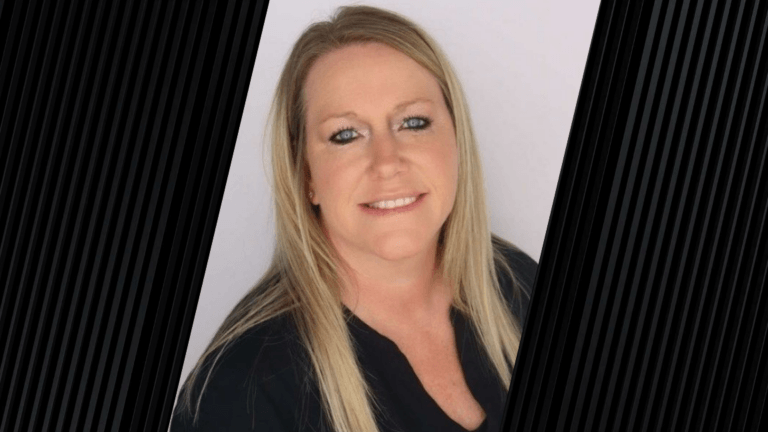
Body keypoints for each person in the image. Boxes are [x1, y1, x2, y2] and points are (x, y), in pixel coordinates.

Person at [170, 5, 537, 432]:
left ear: (456, 142)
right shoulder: (239, 392)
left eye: (414, 122)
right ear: (306, 174)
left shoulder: (516, 281)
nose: (387, 162)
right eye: (346, 135)